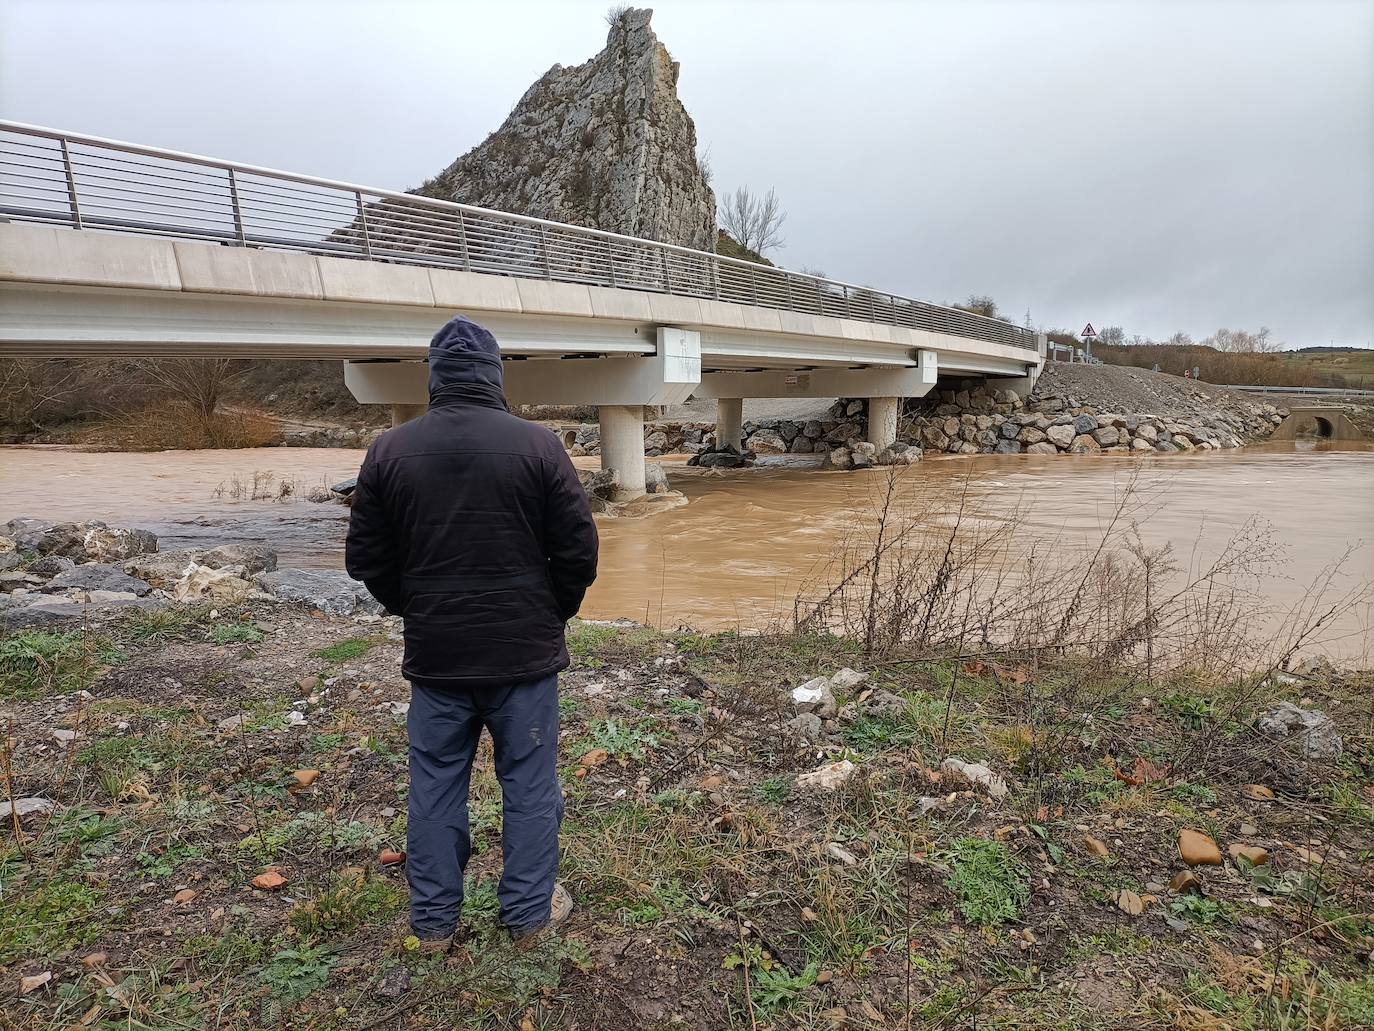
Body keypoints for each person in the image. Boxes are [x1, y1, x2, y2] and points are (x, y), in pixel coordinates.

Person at [345, 315, 599, 953]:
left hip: (437, 656)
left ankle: (433, 923)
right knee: (531, 785)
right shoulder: (540, 446)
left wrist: (416, 606)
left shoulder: (388, 450)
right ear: (494, 376)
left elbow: (366, 559)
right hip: (524, 658)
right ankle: (527, 916)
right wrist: (551, 611)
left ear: (434, 377)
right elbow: (578, 553)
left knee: (433, 784)